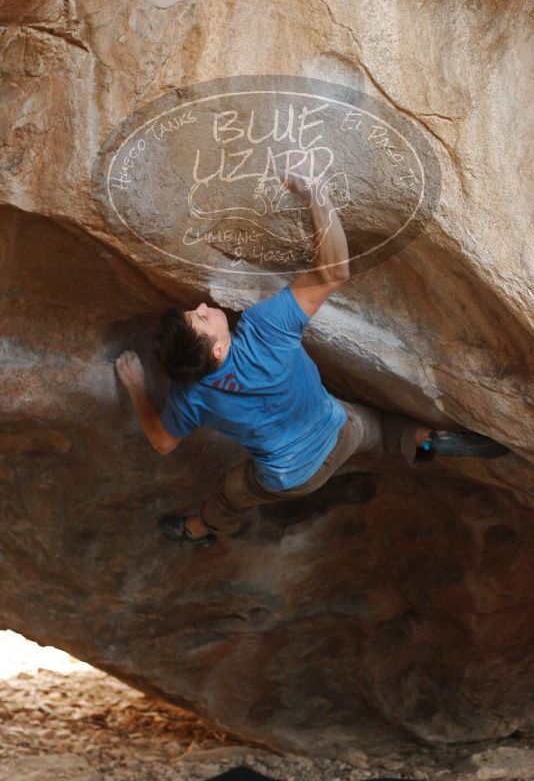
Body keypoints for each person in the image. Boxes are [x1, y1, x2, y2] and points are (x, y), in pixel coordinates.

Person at [115, 172, 509, 547]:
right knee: (390, 434)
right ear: (217, 349)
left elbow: (164, 442)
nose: (203, 305)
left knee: (229, 495)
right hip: (340, 430)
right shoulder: (264, 329)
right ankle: (429, 444)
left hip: (289, 477)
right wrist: (314, 190)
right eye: (202, 318)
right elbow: (334, 270)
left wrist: (136, 387)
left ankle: (199, 530)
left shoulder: (189, 398)